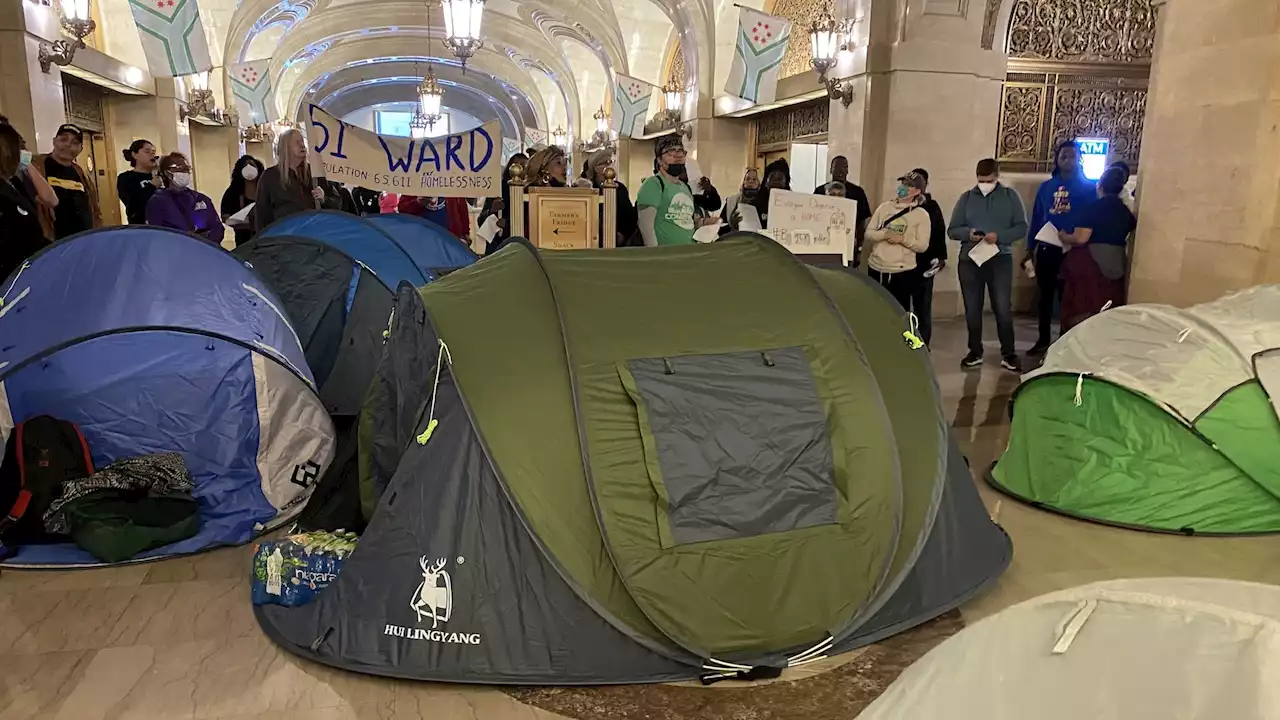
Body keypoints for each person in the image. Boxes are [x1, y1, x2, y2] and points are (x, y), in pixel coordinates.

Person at [949, 158, 1028, 372]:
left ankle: (1009, 354)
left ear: (997, 176)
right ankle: (975, 351)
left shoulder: (1010, 197)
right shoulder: (966, 198)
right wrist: (969, 234)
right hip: (970, 259)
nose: (984, 184)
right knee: (972, 308)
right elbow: (953, 229)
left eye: (989, 180)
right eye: (981, 180)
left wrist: (1000, 236)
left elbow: (1021, 228)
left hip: (999, 258)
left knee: (1002, 307)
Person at [1027, 140, 1097, 355]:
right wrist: (1030, 248)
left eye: (1072, 156)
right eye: (1063, 156)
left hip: (1073, 249)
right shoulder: (1046, 187)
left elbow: (1091, 218)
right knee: (1045, 296)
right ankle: (1043, 339)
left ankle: (1066, 340)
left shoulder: (1088, 188)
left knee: (1069, 297)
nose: (1067, 160)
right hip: (1048, 247)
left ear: (1079, 159)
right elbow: (1038, 218)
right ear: (1057, 159)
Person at [1057, 167, 1135, 333]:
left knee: (1083, 309)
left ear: (1100, 186)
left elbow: (1080, 238)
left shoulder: (1093, 208)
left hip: (1090, 265)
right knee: (1107, 310)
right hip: (1117, 262)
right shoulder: (1125, 212)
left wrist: (1064, 237)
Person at [865, 171, 930, 311]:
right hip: (876, 268)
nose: (903, 187)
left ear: (917, 191)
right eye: (903, 183)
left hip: (902, 273)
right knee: (874, 310)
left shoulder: (921, 215)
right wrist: (884, 234)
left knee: (898, 312)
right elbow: (869, 234)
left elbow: (922, 246)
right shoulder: (884, 208)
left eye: (909, 185)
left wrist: (902, 239)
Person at [0, 122, 50, 280]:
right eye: (20, 148)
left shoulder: (15, 183)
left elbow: (50, 199)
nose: (25, 153)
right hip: (12, 279)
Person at [905, 168, 949, 347]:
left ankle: (923, 344)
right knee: (903, 307)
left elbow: (939, 232)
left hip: (924, 263)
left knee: (922, 306)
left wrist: (940, 257)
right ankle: (906, 341)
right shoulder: (901, 204)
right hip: (903, 262)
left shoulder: (931, 206)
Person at [34, 123, 100, 240]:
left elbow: (94, 209)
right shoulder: (38, 166)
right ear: (54, 141)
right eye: (63, 139)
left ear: (80, 149)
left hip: (82, 241)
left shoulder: (81, 174)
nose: (68, 145)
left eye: (74, 143)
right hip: (52, 242)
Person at [145, 152, 225, 245]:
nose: (184, 173)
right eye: (179, 169)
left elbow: (217, 228)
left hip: (205, 251)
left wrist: (204, 241)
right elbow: (157, 235)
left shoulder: (200, 199)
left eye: (186, 169)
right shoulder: (158, 201)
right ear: (167, 173)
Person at [254, 129, 324, 231]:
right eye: (297, 142)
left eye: (302, 141)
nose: (302, 145)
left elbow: (337, 203)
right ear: (285, 147)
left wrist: (324, 198)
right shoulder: (270, 176)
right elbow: (262, 214)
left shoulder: (314, 173)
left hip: (313, 235)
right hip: (285, 238)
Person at [636, 135, 696, 246]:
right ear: (659, 159)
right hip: (666, 255)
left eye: (681, 151)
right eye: (671, 152)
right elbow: (646, 227)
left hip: (688, 254)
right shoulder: (653, 184)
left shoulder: (685, 187)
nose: (677, 156)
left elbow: (686, 221)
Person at [815, 155, 872, 263]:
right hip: (822, 243)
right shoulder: (820, 191)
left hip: (848, 243)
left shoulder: (857, 192)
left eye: (845, 167)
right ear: (831, 169)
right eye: (838, 167)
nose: (842, 171)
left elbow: (861, 222)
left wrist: (859, 247)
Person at [581, 149, 638, 246]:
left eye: (610, 162)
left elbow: (629, 217)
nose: (609, 166)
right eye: (605, 163)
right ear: (596, 168)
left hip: (620, 243)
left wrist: (623, 235)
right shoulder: (590, 190)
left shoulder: (620, 189)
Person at [478, 153, 526, 253]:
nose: (516, 169)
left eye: (521, 166)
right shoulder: (497, 190)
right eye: (514, 165)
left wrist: (508, 225)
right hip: (496, 246)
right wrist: (492, 210)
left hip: (521, 246)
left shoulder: (529, 192)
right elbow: (480, 220)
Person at [220, 155, 264, 247]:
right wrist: (245, 223)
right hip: (243, 241)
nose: (248, 168)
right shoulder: (232, 192)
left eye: (251, 165)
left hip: (265, 238)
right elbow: (225, 217)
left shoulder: (266, 189)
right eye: (245, 166)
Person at [116, 139, 160, 225]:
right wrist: (152, 187)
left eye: (154, 152)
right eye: (147, 151)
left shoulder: (159, 176)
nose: (152, 154)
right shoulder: (126, 178)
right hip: (140, 226)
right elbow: (132, 203)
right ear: (134, 154)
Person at [398, 195, 471, 240]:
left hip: (450, 239)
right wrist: (417, 203)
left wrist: (465, 233)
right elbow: (402, 208)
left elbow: (461, 206)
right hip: (422, 239)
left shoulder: (451, 178)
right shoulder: (415, 180)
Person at [722, 168, 760, 233]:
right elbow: (721, 227)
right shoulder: (732, 201)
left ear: (759, 183)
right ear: (743, 181)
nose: (751, 181)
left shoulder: (764, 202)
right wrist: (732, 225)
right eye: (748, 179)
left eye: (754, 179)